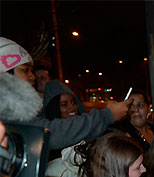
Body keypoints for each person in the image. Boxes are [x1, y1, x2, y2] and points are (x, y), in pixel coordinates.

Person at [0, 37, 131, 151]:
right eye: (25, 70)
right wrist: (106, 116)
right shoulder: (6, 113)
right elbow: (51, 133)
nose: (32, 76)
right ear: (5, 74)